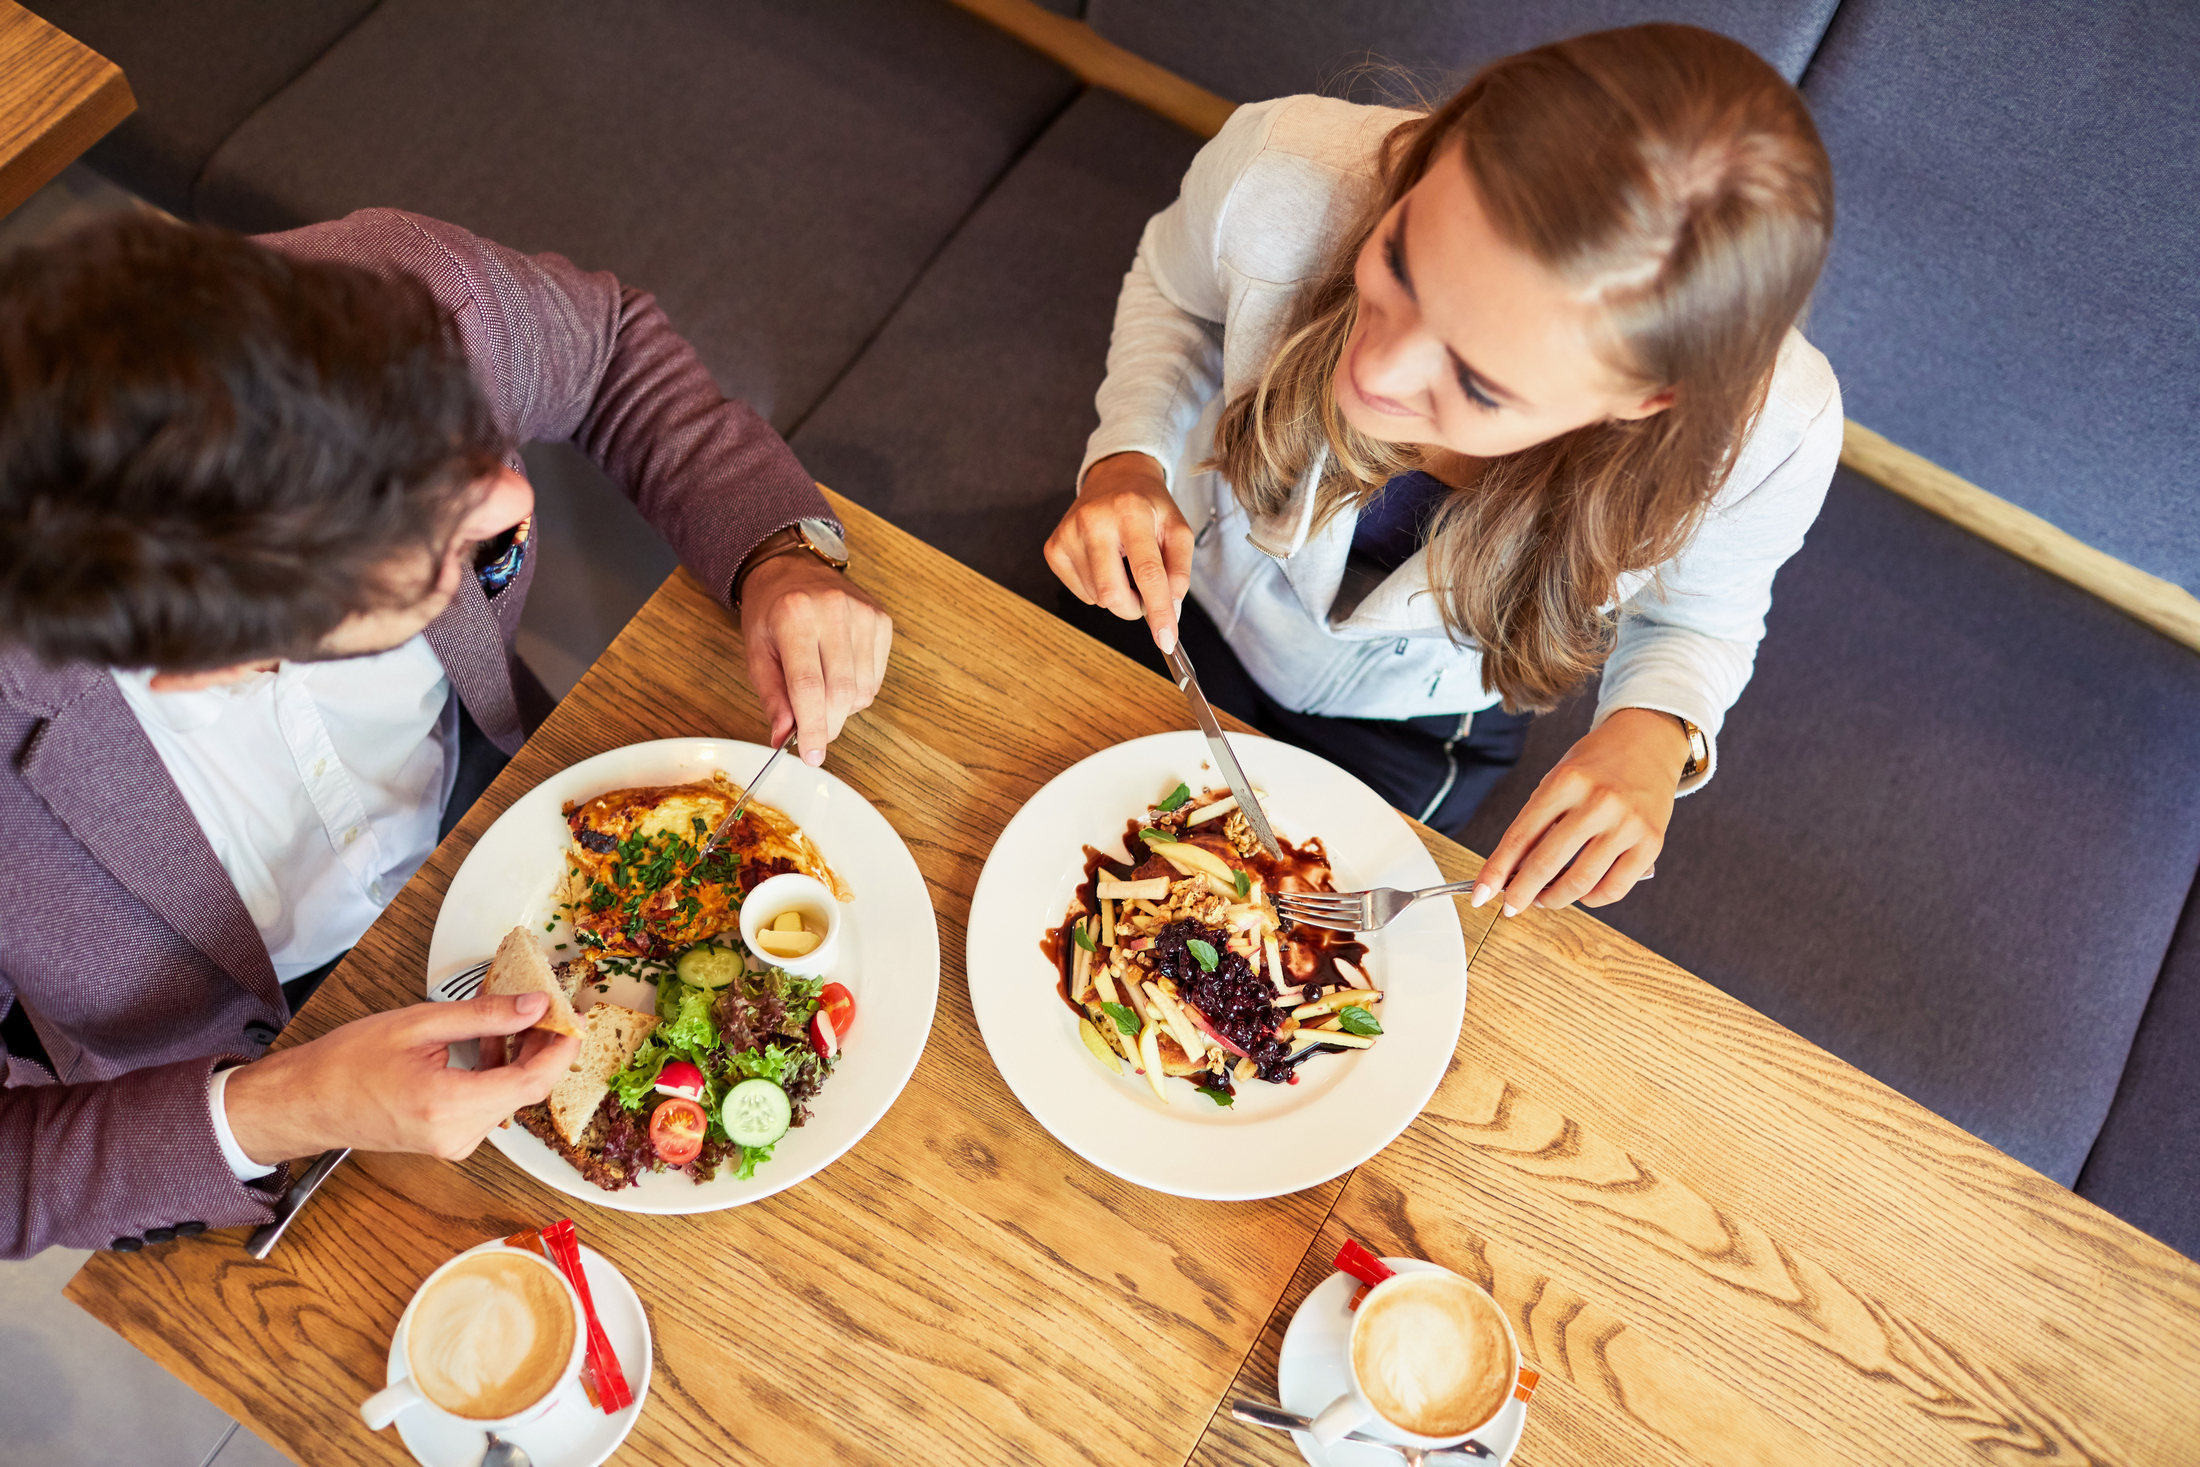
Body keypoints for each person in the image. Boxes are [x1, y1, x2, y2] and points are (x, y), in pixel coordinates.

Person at [0, 209, 891, 1256]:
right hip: (213, 1093)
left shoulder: (411, 296)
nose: (511, 494)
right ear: (209, 659)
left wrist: (775, 552)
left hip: (518, 828)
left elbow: (608, 351)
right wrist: (277, 1110)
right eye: (430, 559)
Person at [1047, 24, 1841, 919]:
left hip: (1418, 725)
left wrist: (1654, 737)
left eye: (1477, 381)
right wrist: (1127, 459)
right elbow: (1177, 296)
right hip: (1183, 591)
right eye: (1398, 260)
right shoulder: (1280, 170)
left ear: (1648, 399)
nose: (1373, 375)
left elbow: (1701, 620)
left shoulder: (1772, 442)